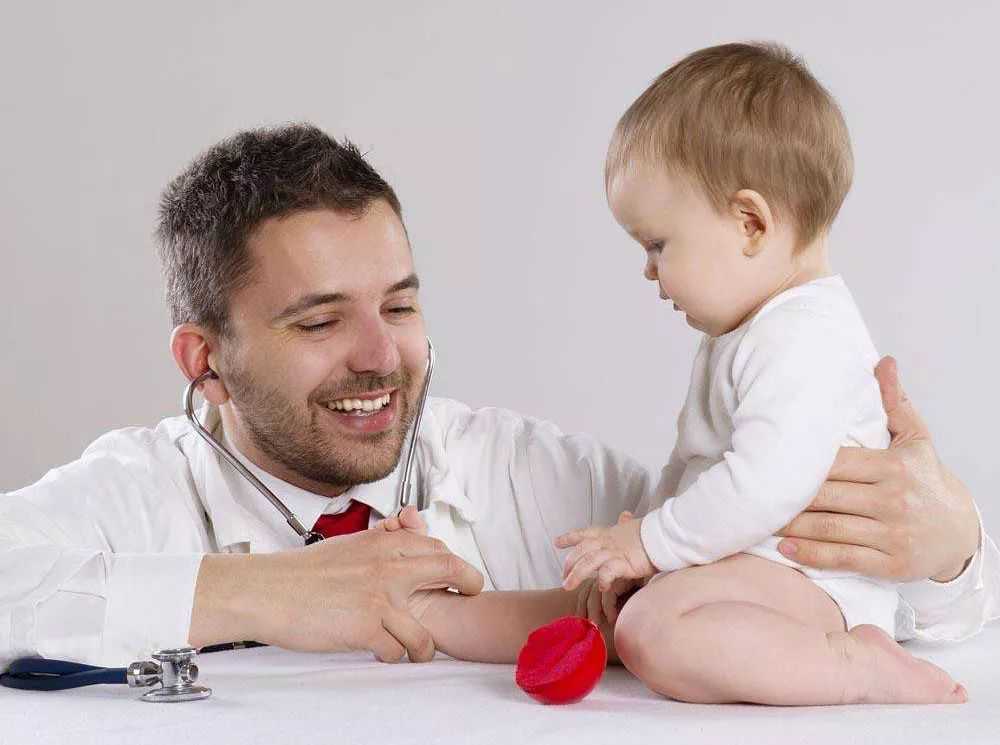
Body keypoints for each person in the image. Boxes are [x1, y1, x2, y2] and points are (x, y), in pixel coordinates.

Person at [0, 124, 993, 672]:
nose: (381, 355)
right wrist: (262, 594)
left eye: (399, 303)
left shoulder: (537, 476)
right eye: (318, 322)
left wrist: (944, 557)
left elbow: (801, 614)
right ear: (203, 362)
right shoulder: (136, 492)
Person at [553, 42, 970, 705]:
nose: (649, 271)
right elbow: (694, 462)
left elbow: (763, 484)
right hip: (760, 567)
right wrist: (650, 541)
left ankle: (852, 662)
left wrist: (651, 543)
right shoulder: (750, 328)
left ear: (750, 223)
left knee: (654, 632)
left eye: (658, 244)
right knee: (642, 617)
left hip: (812, 580)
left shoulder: (803, 335)